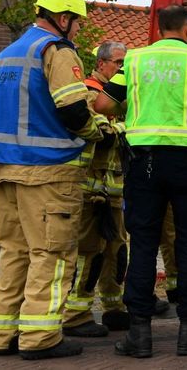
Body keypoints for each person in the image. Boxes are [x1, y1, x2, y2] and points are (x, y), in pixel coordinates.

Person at [0, 0, 110, 360]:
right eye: (77, 22)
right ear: (63, 18)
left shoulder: (8, 53)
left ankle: (3, 334)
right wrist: (98, 131)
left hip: (6, 169)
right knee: (51, 255)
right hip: (47, 173)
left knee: (14, 253)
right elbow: (73, 110)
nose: (79, 30)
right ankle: (40, 337)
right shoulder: (56, 50)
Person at [95, 5, 187, 358]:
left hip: (144, 165)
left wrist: (138, 110)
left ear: (158, 29)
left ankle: (139, 335)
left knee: (142, 244)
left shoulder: (134, 60)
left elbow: (102, 104)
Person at [61, 41, 129, 337]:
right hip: (91, 190)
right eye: (118, 63)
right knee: (90, 251)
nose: (122, 69)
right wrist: (130, 129)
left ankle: (115, 307)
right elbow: (103, 135)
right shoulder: (90, 92)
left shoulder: (120, 96)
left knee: (117, 249)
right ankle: (76, 315)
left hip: (113, 189)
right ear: (101, 64)